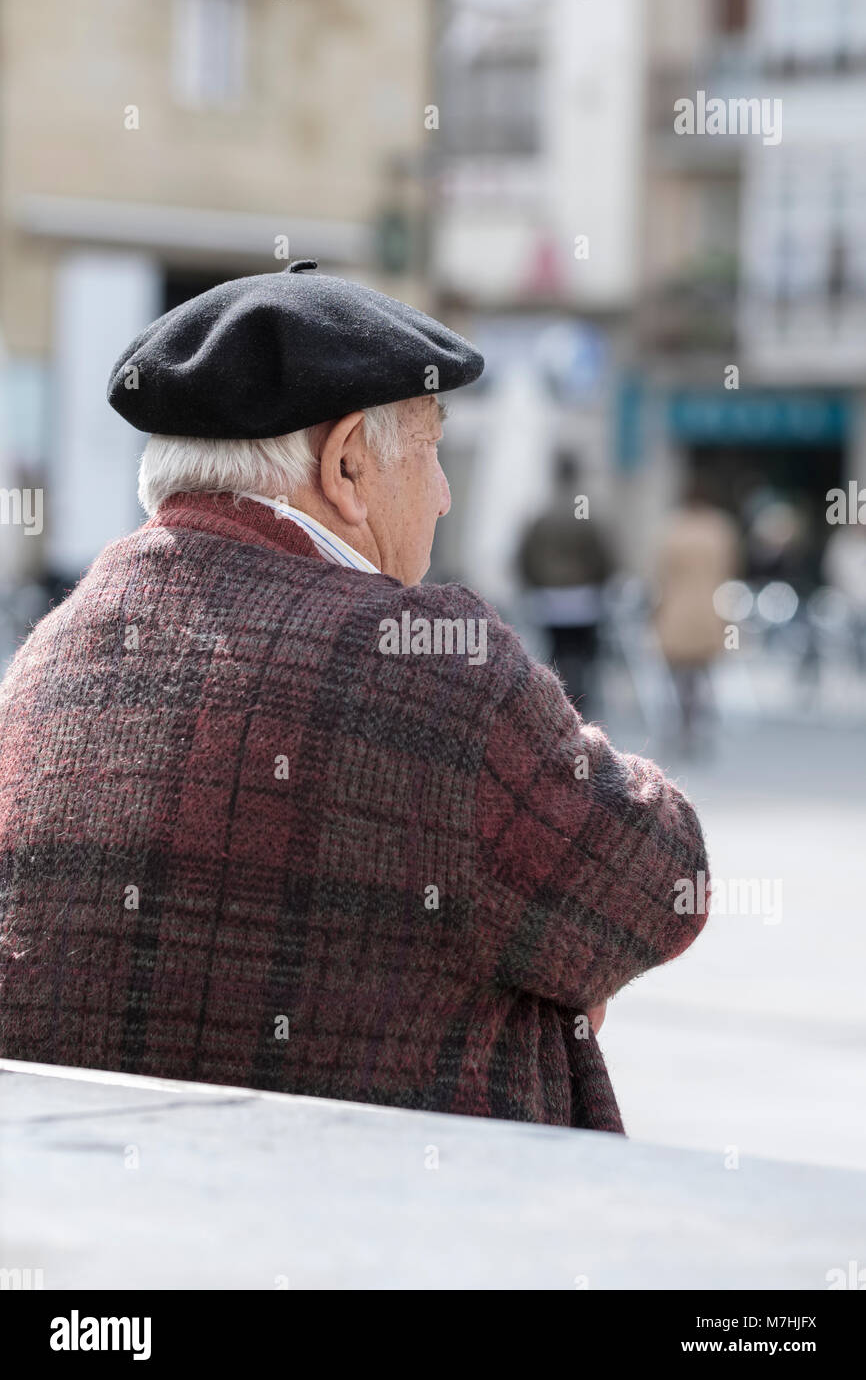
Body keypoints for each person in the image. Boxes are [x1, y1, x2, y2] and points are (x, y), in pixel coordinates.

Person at [0, 262, 709, 1135]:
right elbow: (665, 875)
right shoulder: (433, 668)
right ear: (344, 466)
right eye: (433, 448)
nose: (445, 496)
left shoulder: (43, 661)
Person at [517, 450, 613, 717]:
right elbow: (604, 557)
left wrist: (536, 584)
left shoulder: (542, 514)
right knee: (585, 656)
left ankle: (559, 705)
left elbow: (525, 557)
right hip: (585, 600)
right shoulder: (586, 513)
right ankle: (582, 707)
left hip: (549, 599)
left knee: (556, 655)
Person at [655, 480, 740, 753]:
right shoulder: (720, 529)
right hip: (709, 608)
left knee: (678, 675)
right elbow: (731, 569)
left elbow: (660, 573)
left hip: (677, 609)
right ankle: (701, 724)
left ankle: (683, 725)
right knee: (705, 672)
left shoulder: (673, 529)